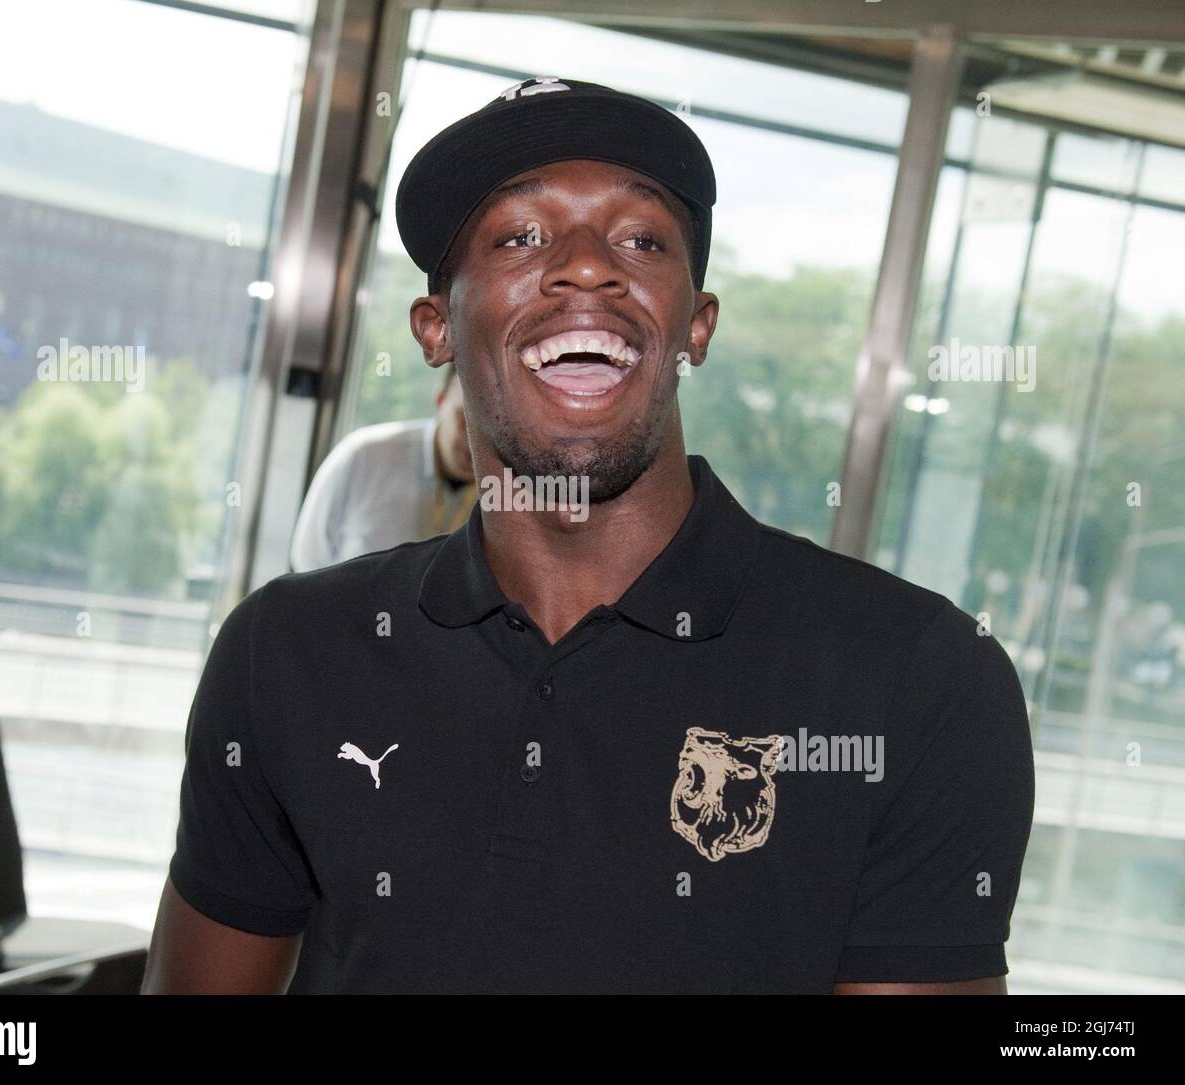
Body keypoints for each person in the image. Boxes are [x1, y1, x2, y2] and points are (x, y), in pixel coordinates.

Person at [143, 77, 1034, 994]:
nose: (582, 266)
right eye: (520, 236)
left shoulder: (920, 679)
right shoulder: (286, 652)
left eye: (640, 240)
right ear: (436, 327)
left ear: (696, 325)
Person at [288, 364, 475, 572]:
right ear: (440, 401)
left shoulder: (510, 493)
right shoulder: (363, 456)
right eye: (465, 417)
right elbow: (308, 562)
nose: (475, 440)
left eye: (487, 427)